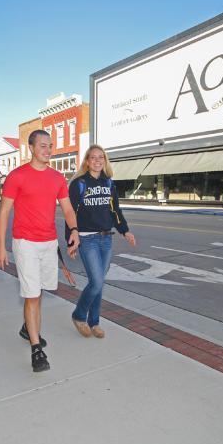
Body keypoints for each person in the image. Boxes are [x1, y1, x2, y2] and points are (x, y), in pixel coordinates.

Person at [0, 129, 80, 372]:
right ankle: (36, 349)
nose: (48, 150)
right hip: (25, 243)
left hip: (48, 243)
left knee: (39, 291)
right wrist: (2, 247)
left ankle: (27, 327)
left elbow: (67, 208)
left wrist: (74, 229)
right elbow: (4, 211)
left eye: (50, 146)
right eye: (43, 146)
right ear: (31, 148)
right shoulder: (17, 176)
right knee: (32, 295)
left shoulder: (57, 178)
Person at [68, 145, 135, 339]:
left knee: (99, 283)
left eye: (101, 158)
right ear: (87, 161)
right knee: (96, 282)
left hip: (106, 238)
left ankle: (94, 322)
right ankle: (79, 315)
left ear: (105, 161)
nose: (97, 161)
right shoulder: (79, 184)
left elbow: (116, 211)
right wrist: (72, 240)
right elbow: (70, 213)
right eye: (93, 158)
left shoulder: (109, 184)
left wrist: (125, 230)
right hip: (87, 239)